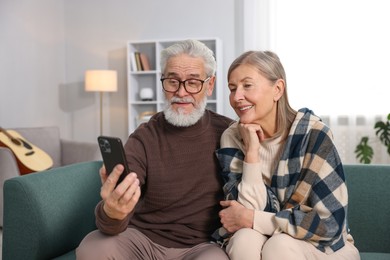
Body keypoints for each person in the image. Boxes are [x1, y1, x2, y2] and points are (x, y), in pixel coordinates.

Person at [76, 39, 232, 260]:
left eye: (193, 82)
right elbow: (112, 220)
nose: (181, 92)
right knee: (92, 247)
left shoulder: (228, 132)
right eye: (172, 81)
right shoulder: (145, 135)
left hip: (200, 246)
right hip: (142, 240)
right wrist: (112, 212)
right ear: (162, 82)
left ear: (210, 84)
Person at [213, 50, 360, 259]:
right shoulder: (233, 136)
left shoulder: (315, 135)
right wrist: (252, 152)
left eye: (247, 85)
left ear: (278, 89)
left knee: (279, 245)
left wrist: (257, 219)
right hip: (268, 236)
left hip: (324, 246)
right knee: (244, 239)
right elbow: (243, 214)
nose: (237, 97)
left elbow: (330, 224)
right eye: (232, 88)